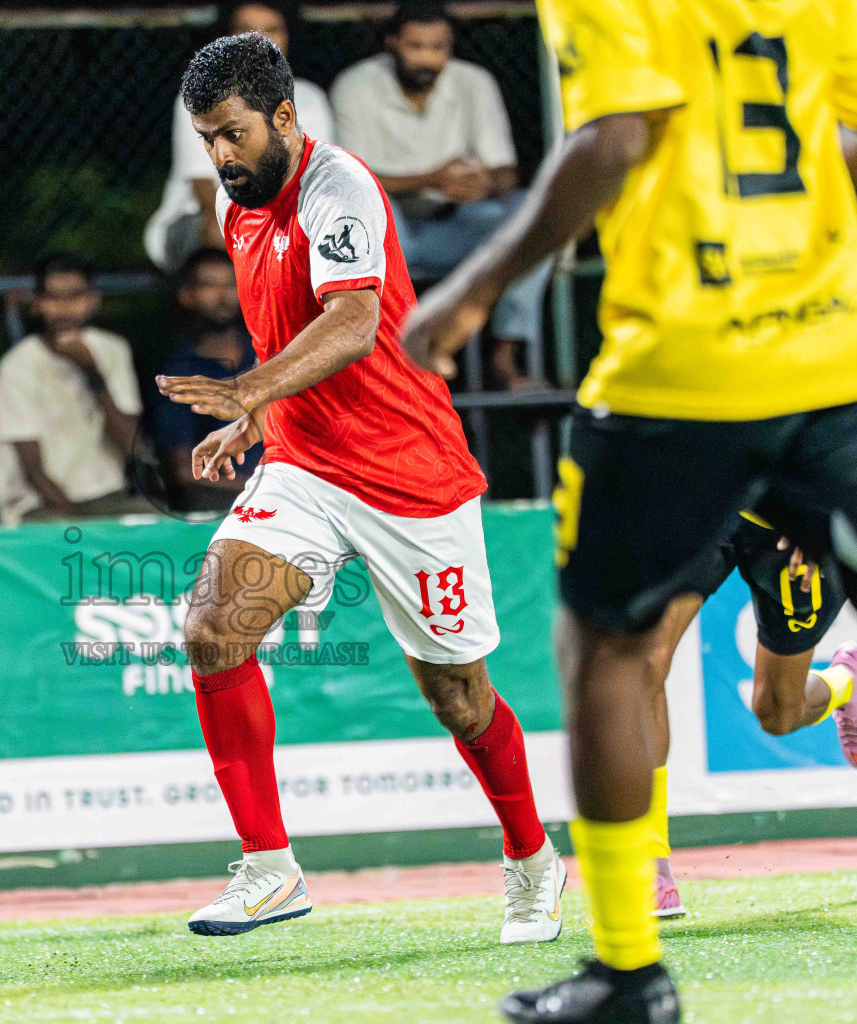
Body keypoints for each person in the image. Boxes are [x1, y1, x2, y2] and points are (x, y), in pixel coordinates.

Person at [401, 0, 857, 1018]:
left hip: (683, 374)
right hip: (837, 357)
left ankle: (628, 974)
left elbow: (616, 136)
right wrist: (772, 204)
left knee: (605, 652)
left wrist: (476, 288)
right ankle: (656, 883)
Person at [157, 31, 563, 945]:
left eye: (232, 134)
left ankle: (533, 860)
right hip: (304, 465)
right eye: (207, 139)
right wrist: (256, 416)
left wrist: (247, 391)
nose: (220, 156)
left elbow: (350, 323)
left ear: (285, 119)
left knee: (459, 696)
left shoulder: (338, 188)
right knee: (211, 628)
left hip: (409, 473)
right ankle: (270, 868)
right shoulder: (238, 212)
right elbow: (280, 340)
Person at [640, 513, 857, 919]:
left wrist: (814, 507)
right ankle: (649, 863)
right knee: (644, 662)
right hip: (708, 502)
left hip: (788, 522)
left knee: (777, 713)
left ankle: (844, 681)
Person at [331, 1, 549, 389]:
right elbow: (350, 178)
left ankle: (504, 358)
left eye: (438, 47)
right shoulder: (355, 84)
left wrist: (483, 184)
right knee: (357, 217)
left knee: (530, 221)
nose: (427, 58)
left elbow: (505, 172)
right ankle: (384, 371)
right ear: (392, 44)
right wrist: (431, 178)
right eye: (416, 46)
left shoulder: (473, 81)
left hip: (458, 224)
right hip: (390, 228)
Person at [144, 2, 335, 275]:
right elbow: (202, 186)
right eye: (247, 31)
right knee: (220, 229)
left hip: (286, 214)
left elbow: (313, 176)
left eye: (272, 30)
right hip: (204, 216)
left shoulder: (309, 98)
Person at [0, 254, 149, 526]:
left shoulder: (112, 350)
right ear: (37, 304)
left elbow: (132, 445)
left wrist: (93, 375)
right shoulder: (17, 366)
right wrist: (82, 526)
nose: (63, 308)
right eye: (53, 298)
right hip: (37, 506)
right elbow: (33, 471)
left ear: (92, 301)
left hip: (106, 497)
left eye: (74, 296)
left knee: (156, 522)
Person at [152, 248, 259, 512]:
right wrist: (266, 491)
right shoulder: (176, 373)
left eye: (232, 284)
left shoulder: (272, 354)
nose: (223, 296)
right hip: (218, 511)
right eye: (209, 285)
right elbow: (183, 472)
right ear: (186, 296)